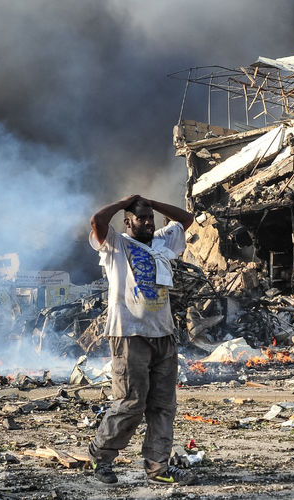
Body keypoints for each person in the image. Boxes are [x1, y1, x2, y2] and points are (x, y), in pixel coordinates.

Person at [87, 194, 195, 486]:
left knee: (163, 405)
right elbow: (97, 220)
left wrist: (152, 203)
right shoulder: (115, 244)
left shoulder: (162, 240)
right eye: (140, 217)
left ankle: (158, 467)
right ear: (127, 221)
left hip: (163, 333)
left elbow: (186, 219)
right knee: (131, 402)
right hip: (128, 333)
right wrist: (125, 201)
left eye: (149, 218)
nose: (147, 222)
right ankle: (102, 458)